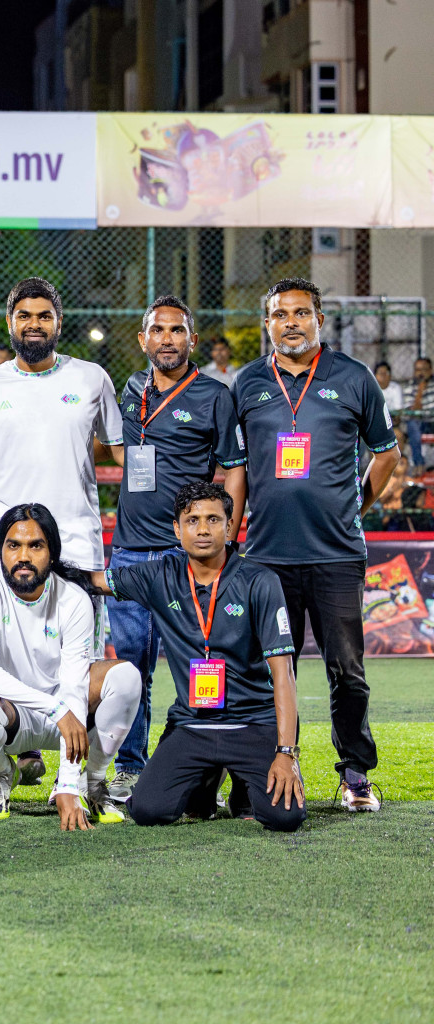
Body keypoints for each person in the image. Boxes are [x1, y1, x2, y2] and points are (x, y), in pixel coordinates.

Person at [0, 277, 123, 787]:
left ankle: (78, 773)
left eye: (44, 315)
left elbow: (122, 453)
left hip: (79, 547)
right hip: (11, 551)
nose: (34, 324)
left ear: (58, 322)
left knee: (80, 665)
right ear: (10, 322)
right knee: (9, 658)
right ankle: (13, 758)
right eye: (24, 316)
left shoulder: (92, 378)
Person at [234, 277, 399, 812]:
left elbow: (387, 454)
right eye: (280, 314)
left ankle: (354, 775)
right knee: (268, 670)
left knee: (346, 670)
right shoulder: (248, 383)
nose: (291, 323)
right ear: (268, 325)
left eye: (301, 313)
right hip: (265, 558)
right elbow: (232, 468)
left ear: (319, 321)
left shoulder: (354, 378)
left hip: (336, 556)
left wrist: (354, 509)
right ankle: (276, 768)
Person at [85, 482, 305, 832]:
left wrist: (286, 753)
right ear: (177, 528)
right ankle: (208, 776)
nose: (203, 529)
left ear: (231, 526)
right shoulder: (160, 575)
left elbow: (284, 675)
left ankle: (241, 782)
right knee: (148, 810)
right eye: (192, 520)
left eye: (213, 519)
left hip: (252, 723)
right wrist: (8, 575)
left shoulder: (260, 581)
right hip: (192, 724)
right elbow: (92, 581)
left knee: (285, 817)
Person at [106, 295, 247, 803]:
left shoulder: (215, 395)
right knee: (130, 671)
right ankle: (129, 766)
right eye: (158, 330)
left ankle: (216, 770)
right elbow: (121, 451)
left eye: (177, 330)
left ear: (192, 339)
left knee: (205, 664)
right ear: (143, 339)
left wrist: (224, 535)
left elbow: (234, 469)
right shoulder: (130, 389)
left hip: (187, 557)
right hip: (128, 552)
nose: (167, 339)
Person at [0, 504, 141, 829]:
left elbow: (74, 684)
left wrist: (68, 785)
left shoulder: (74, 599)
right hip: (16, 714)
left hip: (72, 719)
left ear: (51, 553)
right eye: (13, 545)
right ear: (0, 552)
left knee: (126, 678)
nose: (23, 556)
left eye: (35, 545)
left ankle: (92, 782)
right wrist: (55, 709)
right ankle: (2, 773)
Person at [405, 357, 432, 467]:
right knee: (412, 424)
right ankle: (419, 464)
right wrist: (420, 390)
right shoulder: (409, 386)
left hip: (432, 422)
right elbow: (413, 411)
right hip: (420, 423)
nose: (421, 373)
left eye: (424, 369)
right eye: (417, 370)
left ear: (430, 370)